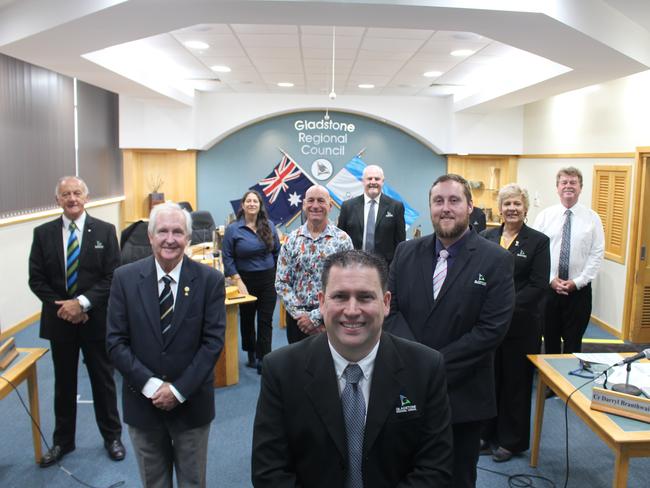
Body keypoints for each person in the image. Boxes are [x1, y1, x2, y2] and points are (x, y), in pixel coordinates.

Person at [253, 250, 453, 487]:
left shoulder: (425, 368)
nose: (351, 310)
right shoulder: (281, 370)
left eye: (365, 297)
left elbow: (434, 469)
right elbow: (269, 472)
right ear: (321, 302)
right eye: (339, 296)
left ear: (386, 302)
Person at [386, 173, 515, 488]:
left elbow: (490, 331)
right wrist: (415, 365)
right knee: (403, 473)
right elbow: (390, 312)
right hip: (405, 389)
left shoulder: (496, 260)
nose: (446, 208)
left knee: (457, 478)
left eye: (454, 200)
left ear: (470, 207)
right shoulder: (405, 252)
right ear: (430, 207)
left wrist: (431, 367)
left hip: (462, 394)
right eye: (438, 201)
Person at [106, 202, 225, 488]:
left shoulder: (210, 280)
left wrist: (178, 389)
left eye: (177, 232)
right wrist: (152, 386)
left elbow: (212, 343)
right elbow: (115, 342)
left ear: (188, 237)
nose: (170, 239)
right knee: (154, 483)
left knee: (193, 482)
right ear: (150, 236)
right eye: (162, 231)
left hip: (191, 404)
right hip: (143, 405)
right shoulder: (125, 278)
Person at [28, 176, 124, 467]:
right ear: (57, 199)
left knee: (103, 380)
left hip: (94, 319)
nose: (72, 198)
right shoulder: (43, 233)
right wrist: (65, 307)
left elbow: (112, 276)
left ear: (86, 197)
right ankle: (63, 442)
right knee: (64, 383)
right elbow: (37, 279)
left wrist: (81, 303)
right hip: (60, 322)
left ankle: (112, 437)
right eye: (66, 194)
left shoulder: (105, 232)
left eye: (77, 193)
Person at [480, 184, 550, 462]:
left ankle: (512, 440)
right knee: (489, 380)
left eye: (517, 204)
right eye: (507, 204)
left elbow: (538, 285)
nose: (511, 209)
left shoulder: (538, 241)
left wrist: (503, 306)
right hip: (488, 325)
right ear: (500, 208)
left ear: (525, 209)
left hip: (521, 326)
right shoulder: (486, 236)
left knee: (516, 383)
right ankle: (487, 435)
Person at [533, 167, 604, 354]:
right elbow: (536, 253)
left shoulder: (592, 218)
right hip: (549, 291)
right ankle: (550, 383)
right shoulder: (544, 217)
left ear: (581, 188)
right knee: (550, 342)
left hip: (579, 293)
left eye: (573, 182)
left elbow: (596, 254)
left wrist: (577, 282)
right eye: (564, 182)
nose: (568, 186)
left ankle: (569, 382)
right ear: (557, 188)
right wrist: (550, 279)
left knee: (574, 344)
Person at [275, 185, 353, 344]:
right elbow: (282, 282)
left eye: (321, 201)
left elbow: (349, 283)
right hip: (298, 321)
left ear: (330, 206)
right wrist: (303, 317)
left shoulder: (342, 240)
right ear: (304, 205)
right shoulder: (292, 240)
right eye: (310, 200)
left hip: (332, 318)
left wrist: (317, 316)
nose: (315, 205)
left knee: (330, 366)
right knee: (297, 366)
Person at [223, 190, 280, 374]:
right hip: (244, 279)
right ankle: (250, 352)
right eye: (248, 201)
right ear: (243, 205)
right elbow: (228, 257)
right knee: (247, 319)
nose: (252, 204)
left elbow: (277, 252)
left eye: (255, 201)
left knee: (265, 320)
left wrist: (278, 275)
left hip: (267, 278)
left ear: (260, 205)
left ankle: (265, 358)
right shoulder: (233, 229)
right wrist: (237, 280)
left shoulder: (269, 226)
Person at [337, 164, 405, 265]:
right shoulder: (348, 206)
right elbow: (340, 240)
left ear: (382, 181)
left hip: (385, 269)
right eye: (369, 179)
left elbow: (400, 243)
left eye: (377, 179)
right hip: (353, 267)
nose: (373, 182)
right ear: (363, 181)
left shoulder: (396, 207)